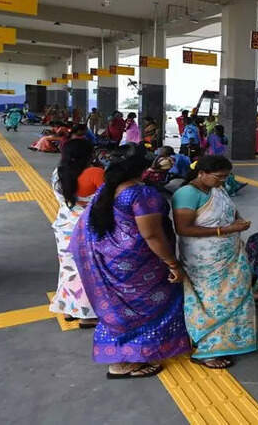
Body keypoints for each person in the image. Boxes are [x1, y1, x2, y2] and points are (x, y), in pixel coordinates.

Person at [69, 143, 190, 379]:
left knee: (120, 310)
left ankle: (120, 356)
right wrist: (173, 264)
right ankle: (129, 360)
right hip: (141, 265)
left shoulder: (107, 189)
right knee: (152, 307)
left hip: (112, 261)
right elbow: (152, 235)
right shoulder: (141, 194)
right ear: (142, 168)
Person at [171, 154, 258, 368]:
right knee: (211, 301)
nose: (223, 181)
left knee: (233, 296)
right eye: (219, 176)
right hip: (204, 260)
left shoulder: (217, 189)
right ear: (202, 173)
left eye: (226, 176)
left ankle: (231, 341)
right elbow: (183, 228)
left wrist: (238, 221)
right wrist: (225, 230)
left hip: (229, 255)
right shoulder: (187, 194)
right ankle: (207, 349)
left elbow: (230, 210)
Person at [49, 139, 104, 328]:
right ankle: (86, 316)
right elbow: (108, 200)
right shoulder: (95, 173)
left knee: (68, 269)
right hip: (87, 227)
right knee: (87, 270)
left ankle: (69, 309)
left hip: (64, 226)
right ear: (89, 154)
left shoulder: (58, 173)